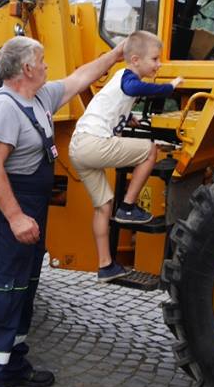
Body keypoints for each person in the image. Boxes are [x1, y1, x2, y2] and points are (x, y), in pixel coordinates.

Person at [0, 35, 125, 387]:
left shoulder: (39, 98)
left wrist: (116, 54)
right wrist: (15, 217)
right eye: (42, 60)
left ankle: (12, 364)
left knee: (22, 291)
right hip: (6, 217)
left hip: (30, 213)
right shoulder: (2, 109)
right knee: (0, 294)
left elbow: (80, 78)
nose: (48, 66)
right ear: (27, 68)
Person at [68, 30, 182, 282]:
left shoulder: (119, 79)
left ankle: (106, 265)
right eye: (155, 59)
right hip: (93, 143)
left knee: (103, 206)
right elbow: (133, 88)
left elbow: (112, 105)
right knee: (149, 150)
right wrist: (169, 87)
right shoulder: (127, 77)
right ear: (135, 60)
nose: (159, 64)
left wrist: (126, 118)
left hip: (79, 147)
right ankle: (128, 207)